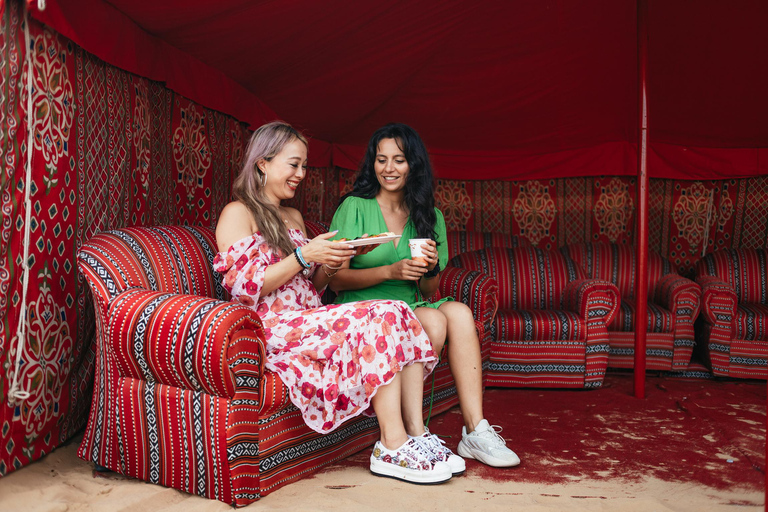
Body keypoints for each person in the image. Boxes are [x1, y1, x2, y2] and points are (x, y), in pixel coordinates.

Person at [214, 121, 453, 484]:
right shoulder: (238, 212)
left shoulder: (292, 216)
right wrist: (303, 254)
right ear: (262, 163)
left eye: (304, 166)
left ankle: (414, 434)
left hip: (309, 318)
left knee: (397, 310)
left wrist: (332, 261)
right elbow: (245, 287)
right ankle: (392, 444)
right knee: (384, 313)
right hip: (272, 325)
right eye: (293, 164)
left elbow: (314, 283)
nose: (301, 174)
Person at [329, 123, 520, 471]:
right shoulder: (355, 207)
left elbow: (429, 290)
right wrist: (390, 271)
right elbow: (336, 281)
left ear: (413, 165)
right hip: (364, 307)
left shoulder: (429, 217)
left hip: (410, 303)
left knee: (459, 312)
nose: (389, 169)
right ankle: (409, 432)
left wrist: (430, 269)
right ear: (372, 164)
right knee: (432, 319)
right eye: (381, 159)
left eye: (398, 160)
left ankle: (475, 430)